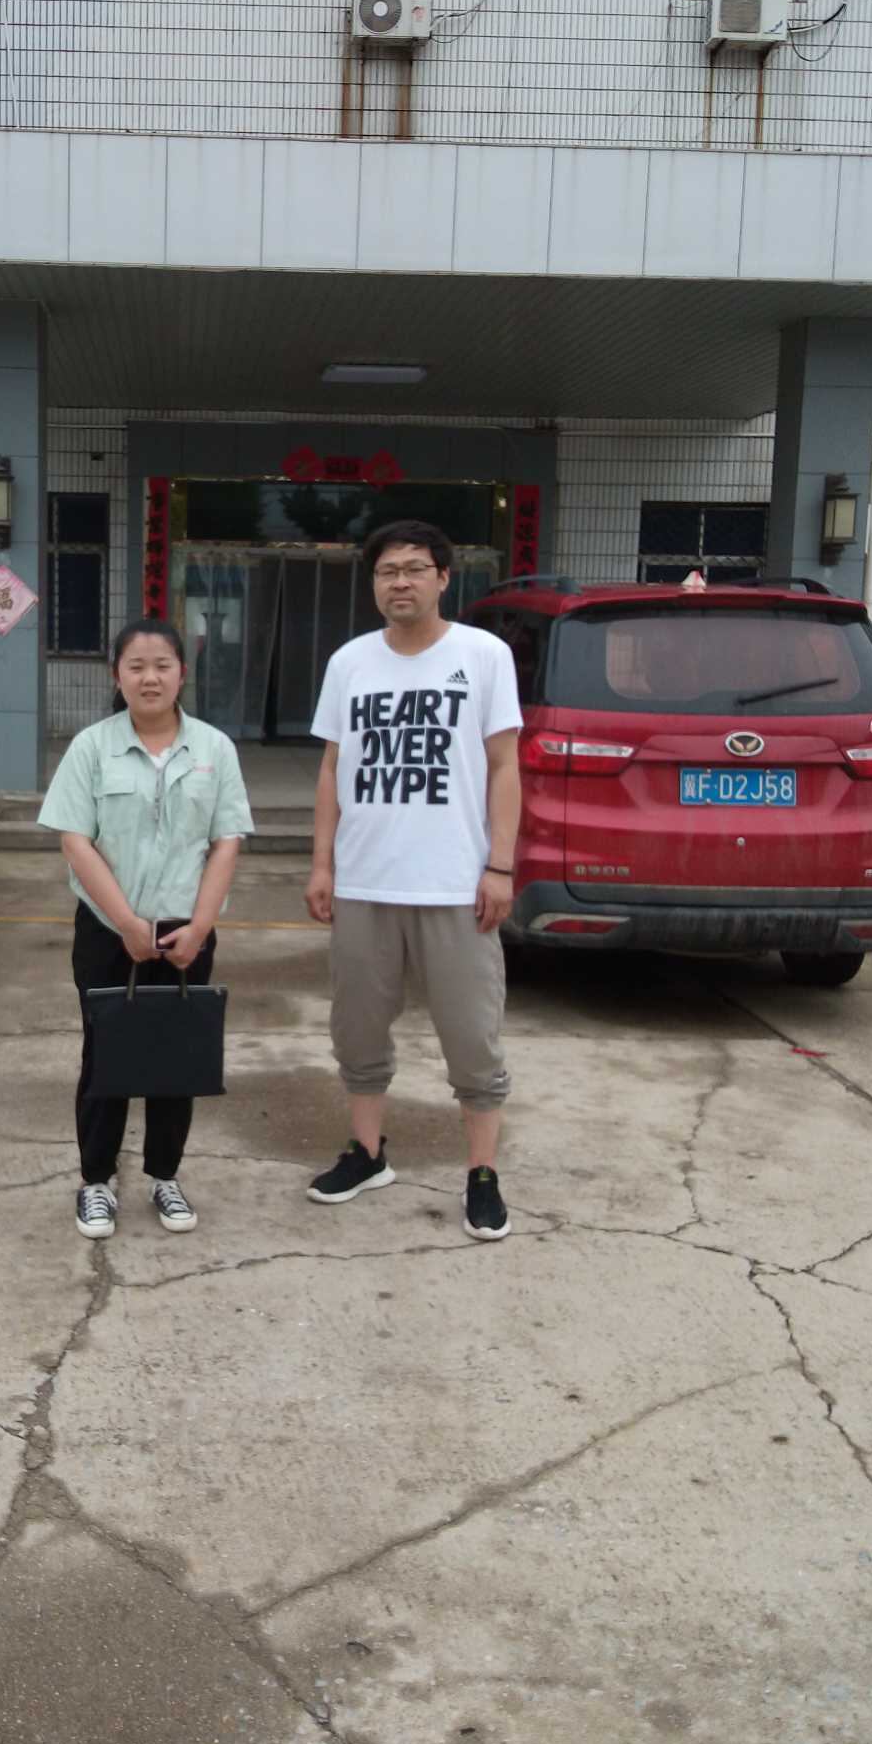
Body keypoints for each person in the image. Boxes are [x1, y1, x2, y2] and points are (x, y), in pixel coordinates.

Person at [304, 521, 523, 1241]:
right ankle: (367, 1154)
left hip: (455, 886)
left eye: (414, 568)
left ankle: (482, 1173)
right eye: (386, 571)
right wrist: (323, 864)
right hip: (364, 883)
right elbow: (332, 770)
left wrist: (500, 865)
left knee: (472, 1037)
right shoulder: (349, 663)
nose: (400, 581)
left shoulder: (483, 656)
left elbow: (504, 767)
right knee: (358, 1030)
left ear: (443, 577)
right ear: (374, 584)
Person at [38, 617, 253, 1240]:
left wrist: (201, 926)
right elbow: (75, 841)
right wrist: (127, 923)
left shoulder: (214, 749)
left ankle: (165, 1175)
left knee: (176, 1054)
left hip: (187, 931)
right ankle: (96, 1181)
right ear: (118, 676)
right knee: (104, 1053)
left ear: (182, 674)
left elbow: (226, 842)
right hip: (108, 931)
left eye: (162, 665)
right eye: (136, 666)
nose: (149, 677)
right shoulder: (91, 748)